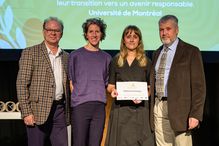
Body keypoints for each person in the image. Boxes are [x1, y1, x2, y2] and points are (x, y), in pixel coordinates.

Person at [150, 14, 206, 146]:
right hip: (159, 107)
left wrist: (196, 114)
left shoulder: (191, 51)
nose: (164, 33)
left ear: (177, 30)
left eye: (168, 29)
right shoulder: (156, 53)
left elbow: (199, 86)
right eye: (161, 29)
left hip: (182, 111)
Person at [16, 17, 70, 146]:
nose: (53, 33)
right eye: (49, 29)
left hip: (59, 111)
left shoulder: (67, 57)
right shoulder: (30, 52)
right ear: (43, 32)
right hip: (36, 111)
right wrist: (26, 112)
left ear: (61, 34)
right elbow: (21, 83)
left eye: (56, 30)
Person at [105, 25, 155, 146]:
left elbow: (150, 87)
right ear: (123, 40)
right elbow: (110, 86)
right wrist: (113, 91)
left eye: (135, 37)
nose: (132, 40)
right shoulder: (116, 61)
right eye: (128, 36)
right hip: (121, 111)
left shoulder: (146, 62)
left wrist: (143, 95)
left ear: (139, 40)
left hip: (140, 111)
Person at [68, 17, 111, 146]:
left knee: (95, 143)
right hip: (80, 106)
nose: (94, 34)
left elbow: (106, 83)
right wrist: (78, 101)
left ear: (101, 34)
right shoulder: (75, 55)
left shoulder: (107, 58)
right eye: (91, 31)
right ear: (86, 34)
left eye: (97, 31)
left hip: (99, 107)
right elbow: (71, 82)